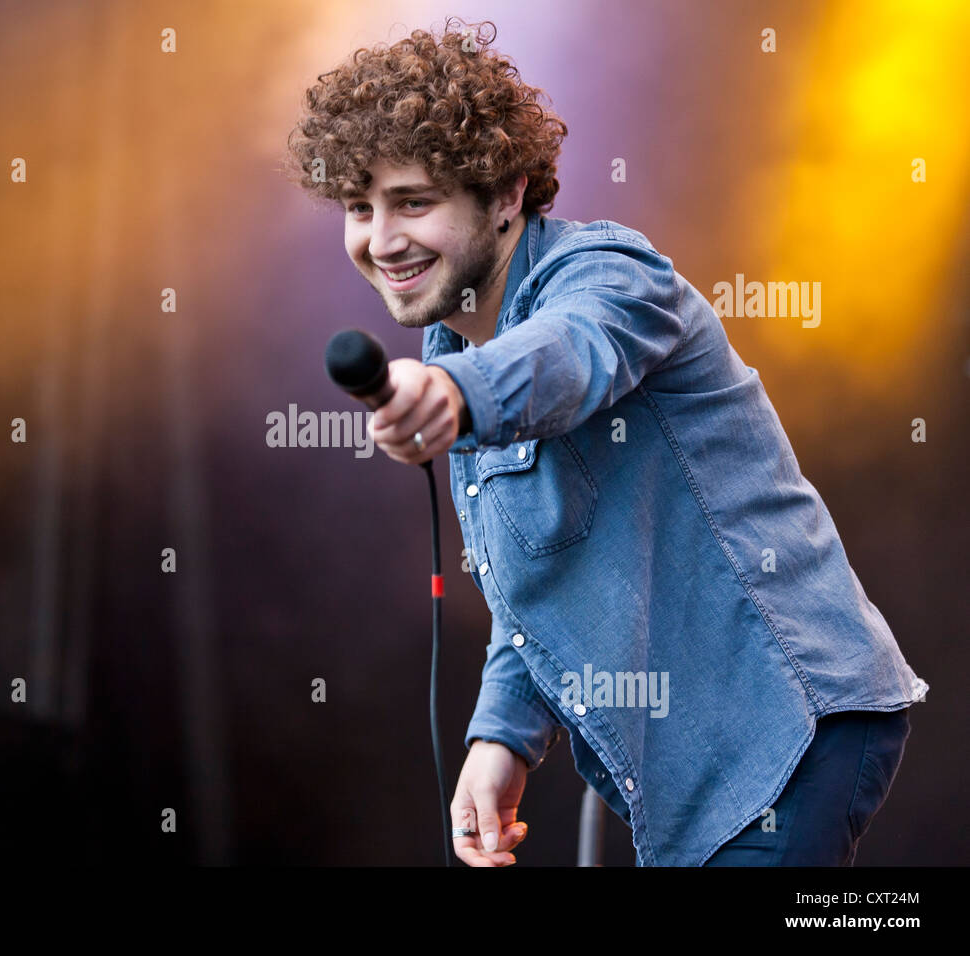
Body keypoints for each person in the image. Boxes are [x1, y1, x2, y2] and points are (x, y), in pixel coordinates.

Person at [283, 18, 928, 866]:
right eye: (359, 209)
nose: (380, 237)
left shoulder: (611, 276)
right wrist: (502, 738)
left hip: (788, 727)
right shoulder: (453, 348)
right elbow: (534, 583)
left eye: (412, 201)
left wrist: (456, 395)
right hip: (697, 771)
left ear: (506, 193)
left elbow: (569, 353)